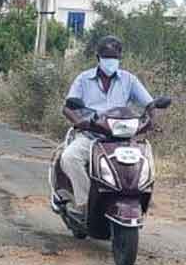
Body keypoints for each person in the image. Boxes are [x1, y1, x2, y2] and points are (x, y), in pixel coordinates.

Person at [61, 35, 155, 218]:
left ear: (120, 58)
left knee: (144, 161)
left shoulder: (129, 80)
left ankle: (139, 199)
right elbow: (67, 107)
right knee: (69, 157)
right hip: (91, 136)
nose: (110, 61)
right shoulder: (83, 79)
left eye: (114, 57)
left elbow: (149, 104)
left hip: (122, 139)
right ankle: (84, 204)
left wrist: (151, 120)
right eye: (107, 57)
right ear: (98, 58)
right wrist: (78, 121)